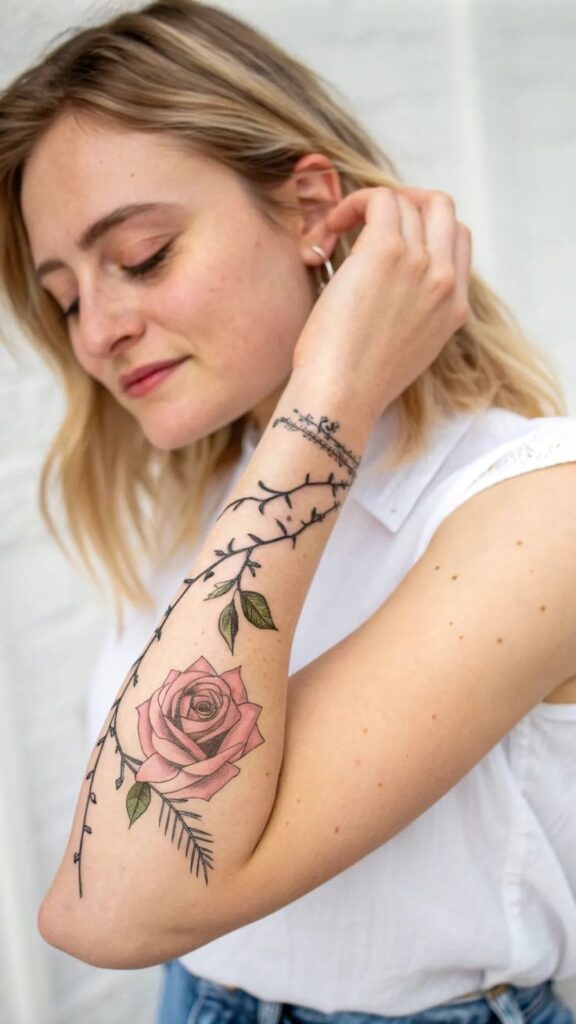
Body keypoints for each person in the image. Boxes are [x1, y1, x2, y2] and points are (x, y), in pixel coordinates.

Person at [1, 1, 575, 1022]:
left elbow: (117, 907)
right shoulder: (205, 499)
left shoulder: (539, 509)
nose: (96, 334)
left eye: (142, 255)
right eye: (67, 298)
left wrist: (333, 393)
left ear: (313, 209)